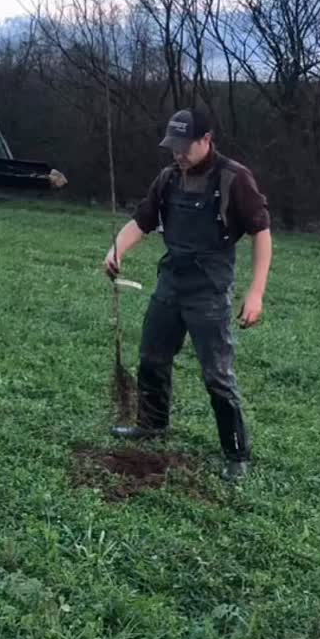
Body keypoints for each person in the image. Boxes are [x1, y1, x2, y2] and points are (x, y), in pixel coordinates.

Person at [103, 105, 272, 481]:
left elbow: (262, 232)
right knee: (151, 357)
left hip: (209, 290)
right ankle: (152, 424)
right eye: (172, 146)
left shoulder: (234, 178)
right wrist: (117, 250)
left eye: (184, 146)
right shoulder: (167, 178)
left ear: (206, 140)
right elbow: (142, 221)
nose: (177, 153)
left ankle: (236, 453)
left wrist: (256, 292)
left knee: (217, 374)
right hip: (171, 282)